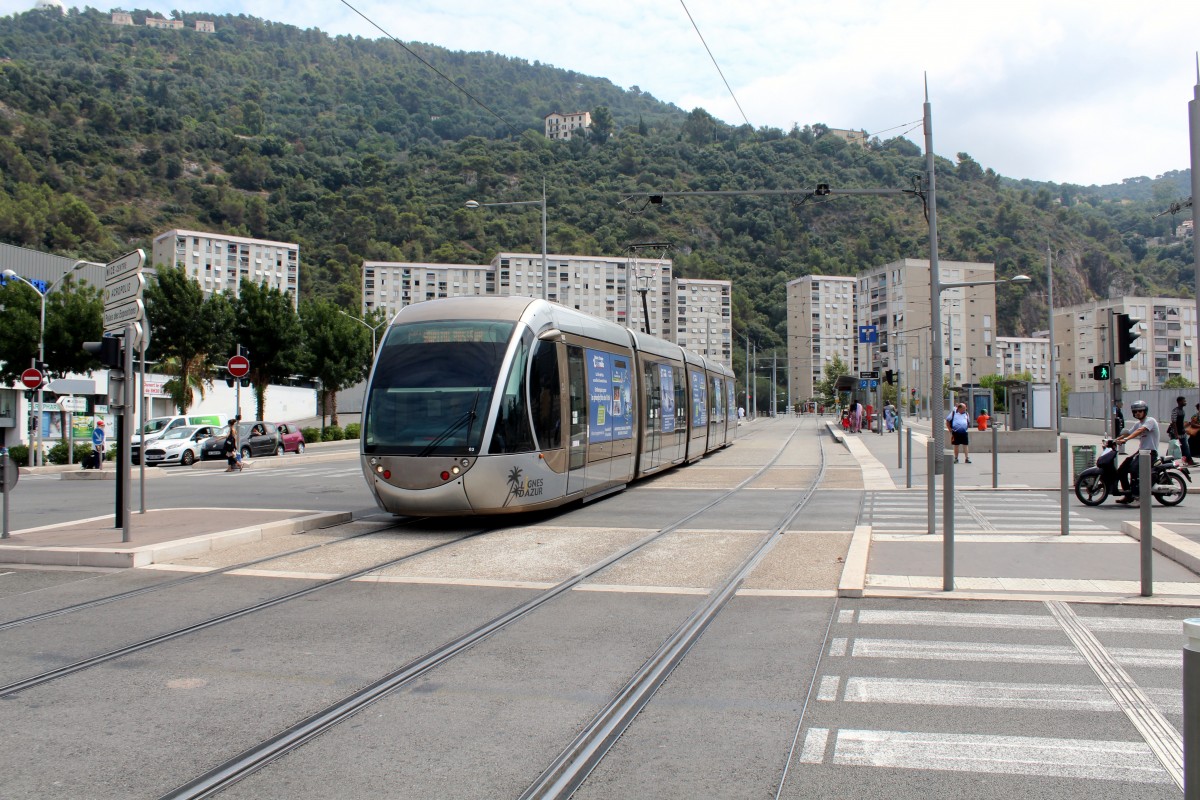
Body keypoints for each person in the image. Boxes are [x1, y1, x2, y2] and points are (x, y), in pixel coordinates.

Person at [1114, 399, 1159, 504]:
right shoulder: (1138, 423)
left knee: (1134, 470)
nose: (1137, 413)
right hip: (1141, 452)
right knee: (1122, 470)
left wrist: (1126, 440)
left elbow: (1139, 431)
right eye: (1135, 412)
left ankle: (1137, 496)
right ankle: (1128, 495)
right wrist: (1115, 440)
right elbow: (1129, 432)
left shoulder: (1150, 421)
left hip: (1150, 453)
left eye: (1140, 411)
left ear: (1145, 411)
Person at [1168, 396, 1195, 466]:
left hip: (1182, 432)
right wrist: (1176, 434)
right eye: (1184, 401)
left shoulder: (1182, 410)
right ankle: (1168, 461)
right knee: (1173, 448)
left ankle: (1189, 461)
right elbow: (1174, 422)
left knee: (1185, 447)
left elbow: (1180, 422)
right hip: (1176, 433)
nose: (1185, 402)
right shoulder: (1175, 411)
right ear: (1179, 402)